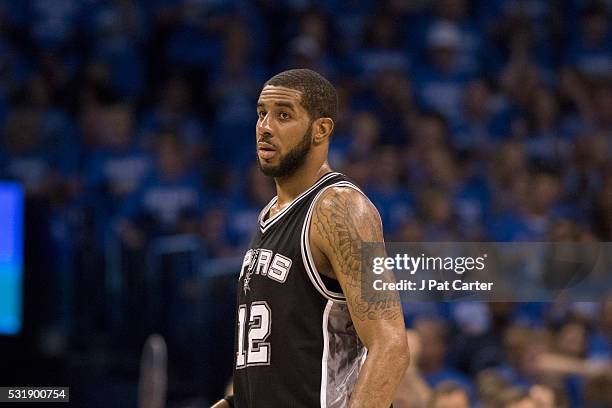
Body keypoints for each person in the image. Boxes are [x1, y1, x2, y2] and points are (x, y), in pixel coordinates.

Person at [212, 69, 409, 407]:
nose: (266, 127)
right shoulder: (271, 215)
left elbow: (390, 346)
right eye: (261, 114)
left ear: (321, 129)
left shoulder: (340, 208)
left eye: (283, 115)